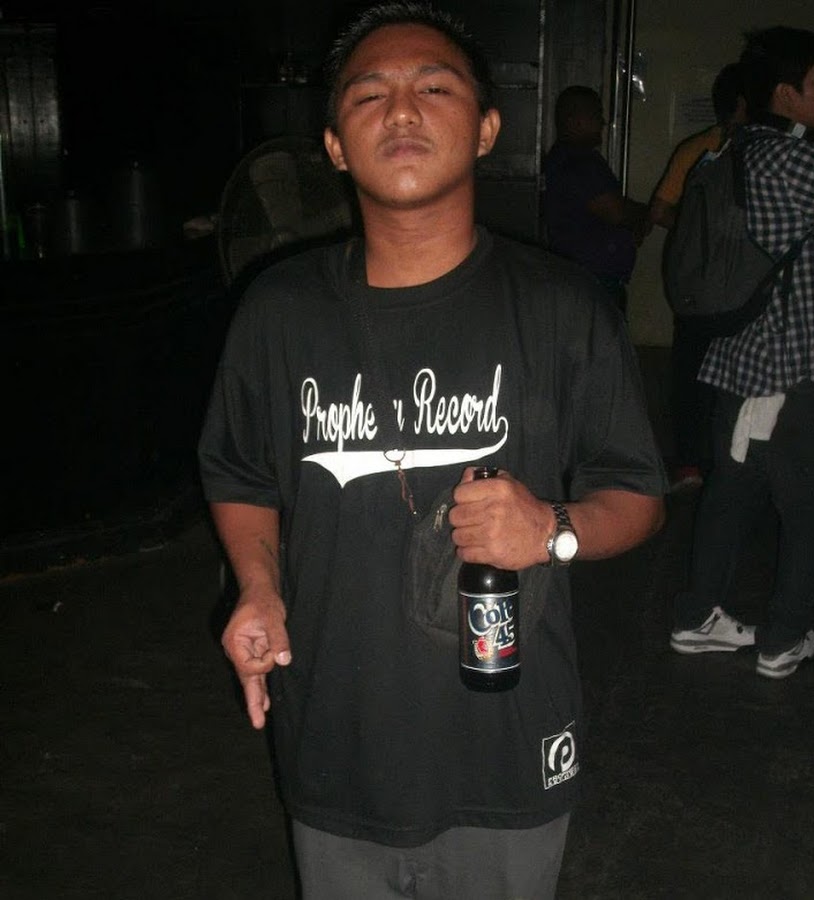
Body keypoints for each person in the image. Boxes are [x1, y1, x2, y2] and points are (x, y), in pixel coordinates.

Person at [198, 3, 667, 897]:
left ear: (487, 129)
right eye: (369, 94)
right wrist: (258, 585)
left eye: (435, 88)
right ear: (335, 146)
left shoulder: (563, 307)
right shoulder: (280, 311)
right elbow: (239, 471)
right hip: (336, 740)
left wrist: (553, 529)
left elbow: (639, 496)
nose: (403, 110)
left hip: (509, 744)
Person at [669, 26, 814, 679]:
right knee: (810, 514)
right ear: (785, 92)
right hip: (795, 376)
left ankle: (696, 618)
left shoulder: (735, 149)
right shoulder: (789, 160)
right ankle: (783, 641)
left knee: (729, 500)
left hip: (737, 366)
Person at [648, 63, 748, 492]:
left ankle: (701, 463)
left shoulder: (704, 147)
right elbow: (660, 211)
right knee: (702, 374)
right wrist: (704, 233)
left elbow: (659, 211)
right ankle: (702, 463)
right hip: (713, 284)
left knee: (702, 374)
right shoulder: (711, 149)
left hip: (707, 284)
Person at [543, 84, 649, 314]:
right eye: (596, 115)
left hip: (584, 279)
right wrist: (643, 215)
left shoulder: (566, 159)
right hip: (591, 282)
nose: (603, 122)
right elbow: (616, 212)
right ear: (575, 121)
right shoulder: (579, 163)